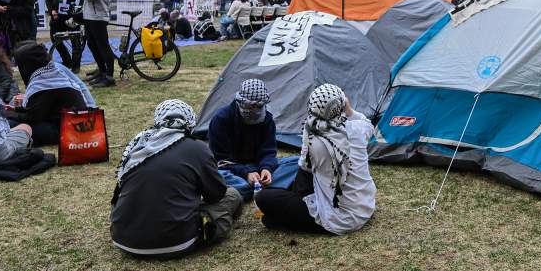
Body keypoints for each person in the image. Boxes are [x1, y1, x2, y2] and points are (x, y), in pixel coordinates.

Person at [110, 99, 243, 257]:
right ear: (191, 122)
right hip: (177, 242)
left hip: (123, 239)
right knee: (233, 195)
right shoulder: (198, 148)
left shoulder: (140, 146)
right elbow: (217, 194)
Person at [255, 84, 376, 235]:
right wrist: (348, 109)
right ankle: (282, 216)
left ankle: (280, 219)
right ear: (342, 105)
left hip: (339, 220)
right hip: (365, 206)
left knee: (264, 198)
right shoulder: (358, 129)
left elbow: (303, 172)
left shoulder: (314, 139)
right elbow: (366, 124)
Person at [208, 79, 281, 199]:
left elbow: (269, 151)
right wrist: (245, 173)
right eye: (250, 106)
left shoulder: (267, 119)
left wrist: (266, 169)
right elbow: (221, 160)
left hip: (257, 168)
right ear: (240, 102)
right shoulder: (221, 119)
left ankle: (249, 188)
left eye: (258, 107)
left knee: (294, 162)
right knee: (215, 175)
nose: (254, 110)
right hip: (231, 170)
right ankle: (262, 187)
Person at [9, 41, 94, 146]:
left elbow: (32, 118)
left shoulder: (44, 83)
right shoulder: (52, 74)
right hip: (75, 126)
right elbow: (40, 109)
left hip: (66, 131)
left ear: (28, 64)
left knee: (9, 124)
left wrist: (8, 114)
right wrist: (15, 109)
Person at [69, 0, 116, 88]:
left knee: (103, 46)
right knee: (92, 45)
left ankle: (109, 77)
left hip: (98, 16)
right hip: (90, 15)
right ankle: (102, 72)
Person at [45, 0, 82, 71]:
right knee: (54, 38)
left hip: (72, 16)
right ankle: (67, 60)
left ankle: (76, 65)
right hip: (56, 15)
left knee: (75, 40)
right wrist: (52, 10)